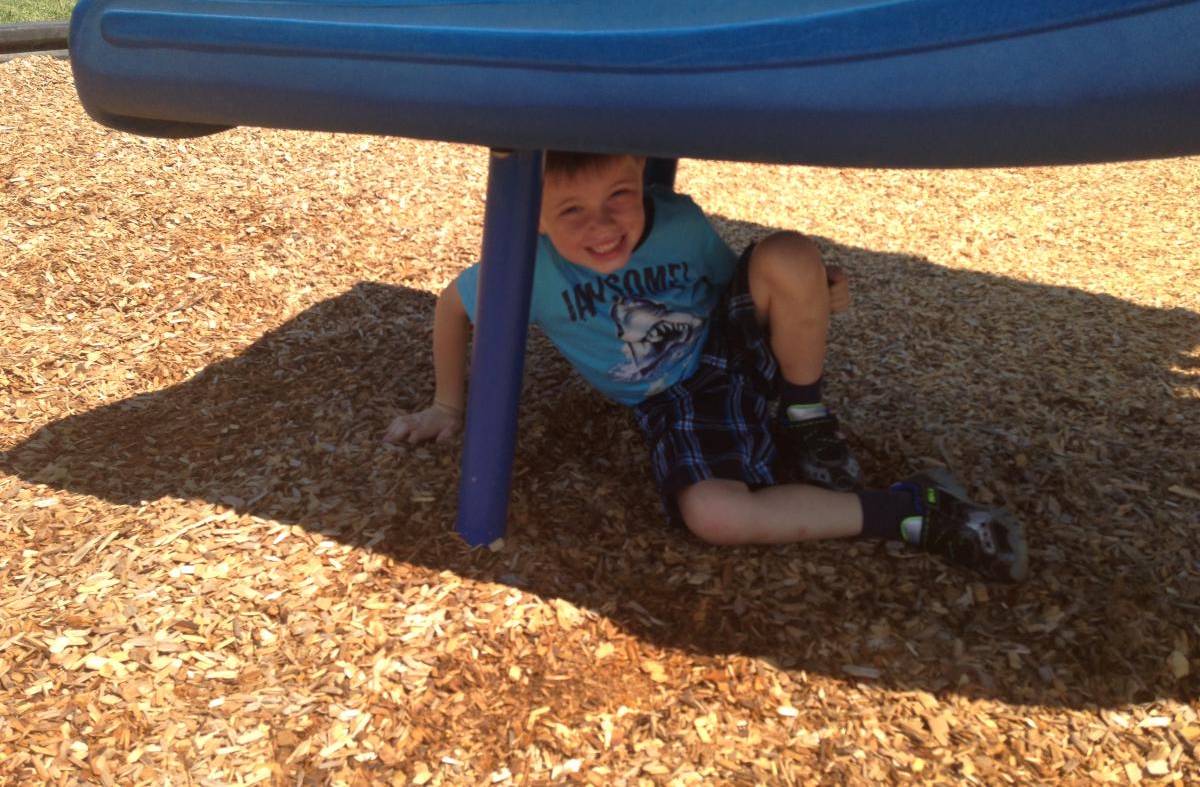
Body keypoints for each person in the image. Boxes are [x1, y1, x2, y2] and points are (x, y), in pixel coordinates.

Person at [385, 152, 1028, 582]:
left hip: (726, 344)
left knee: (790, 252)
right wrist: (447, 404)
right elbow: (452, 306)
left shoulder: (679, 224)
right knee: (716, 516)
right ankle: (913, 509)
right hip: (676, 398)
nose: (603, 224)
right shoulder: (529, 266)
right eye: (572, 209)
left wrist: (812, 290)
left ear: (640, 175)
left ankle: (806, 416)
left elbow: (736, 284)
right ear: (535, 217)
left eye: (619, 195)